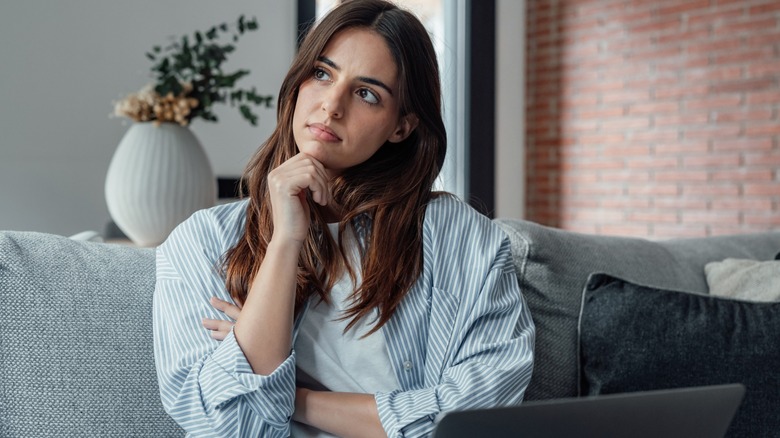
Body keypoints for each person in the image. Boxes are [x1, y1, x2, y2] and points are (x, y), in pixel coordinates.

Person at [152, 1, 535, 437]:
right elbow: (229, 424)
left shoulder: (460, 240)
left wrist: (291, 394)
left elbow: (471, 421)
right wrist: (284, 243)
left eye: (367, 93)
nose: (331, 106)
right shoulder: (202, 243)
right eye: (321, 73)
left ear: (401, 127)